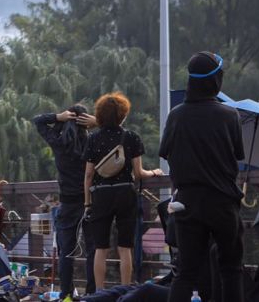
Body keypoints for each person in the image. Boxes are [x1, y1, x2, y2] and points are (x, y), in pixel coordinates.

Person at [159, 52, 245, 302]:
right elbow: (237, 154)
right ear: (216, 80)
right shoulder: (229, 115)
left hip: (187, 201)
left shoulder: (177, 114)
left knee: (185, 272)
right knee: (231, 268)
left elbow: (164, 151)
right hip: (223, 202)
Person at [83, 92, 162, 290]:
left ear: (100, 115)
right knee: (125, 247)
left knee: (100, 248)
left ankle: (100, 293)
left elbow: (88, 175)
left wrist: (87, 202)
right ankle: (125, 291)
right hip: (125, 193)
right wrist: (154, 172)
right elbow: (138, 172)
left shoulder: (93, 139)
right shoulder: (131, 137)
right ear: (122, 115)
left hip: (100, 195)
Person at [33, 104, 96, 297]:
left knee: (66, 251)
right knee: (93, 249)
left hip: (68, 202)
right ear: (85, 123)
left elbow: (38, 121)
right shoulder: (93, 142)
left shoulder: (58, 142)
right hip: (91, 201)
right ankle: (93, 293)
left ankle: (66, 294)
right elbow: (117, 134)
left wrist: (58, 117)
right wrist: (98, 122)